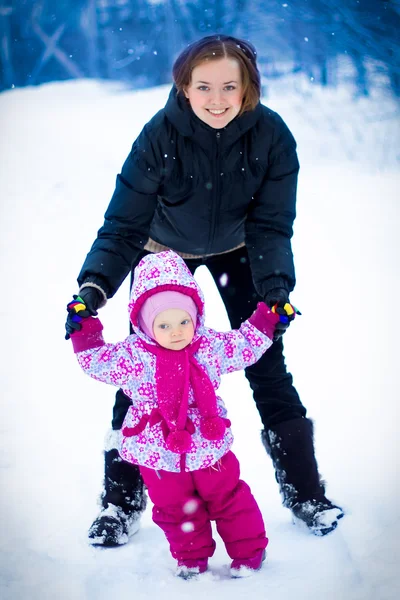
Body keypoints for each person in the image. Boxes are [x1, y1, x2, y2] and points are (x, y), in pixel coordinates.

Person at [65, 34, 343, 545]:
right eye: (204, 87)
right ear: (184, 88)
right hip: (162, 254)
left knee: (266, 362)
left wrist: (274, 289)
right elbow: (123, 226)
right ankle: (119, 503)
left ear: (248, 88)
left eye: (229, 87)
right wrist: (94, 288)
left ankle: (306, 493)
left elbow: (272, 224)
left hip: (240, 248)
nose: (217, 99)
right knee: (142, 375)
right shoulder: (158, 137)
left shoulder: (272, 137)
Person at [68, 249, 288, 578]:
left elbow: (244, 344)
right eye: (164, 324)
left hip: (210, 449)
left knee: (230, 499)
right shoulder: (133, 355)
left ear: (196, 316)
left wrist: (267, 318)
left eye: (184, 321)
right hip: (157, 456)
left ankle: (249, 552)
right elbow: (97, 360)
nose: (177, 332)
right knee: (175, 510)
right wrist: (83, 328)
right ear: (143, 323)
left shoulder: (208, 346)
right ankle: (191, 558)